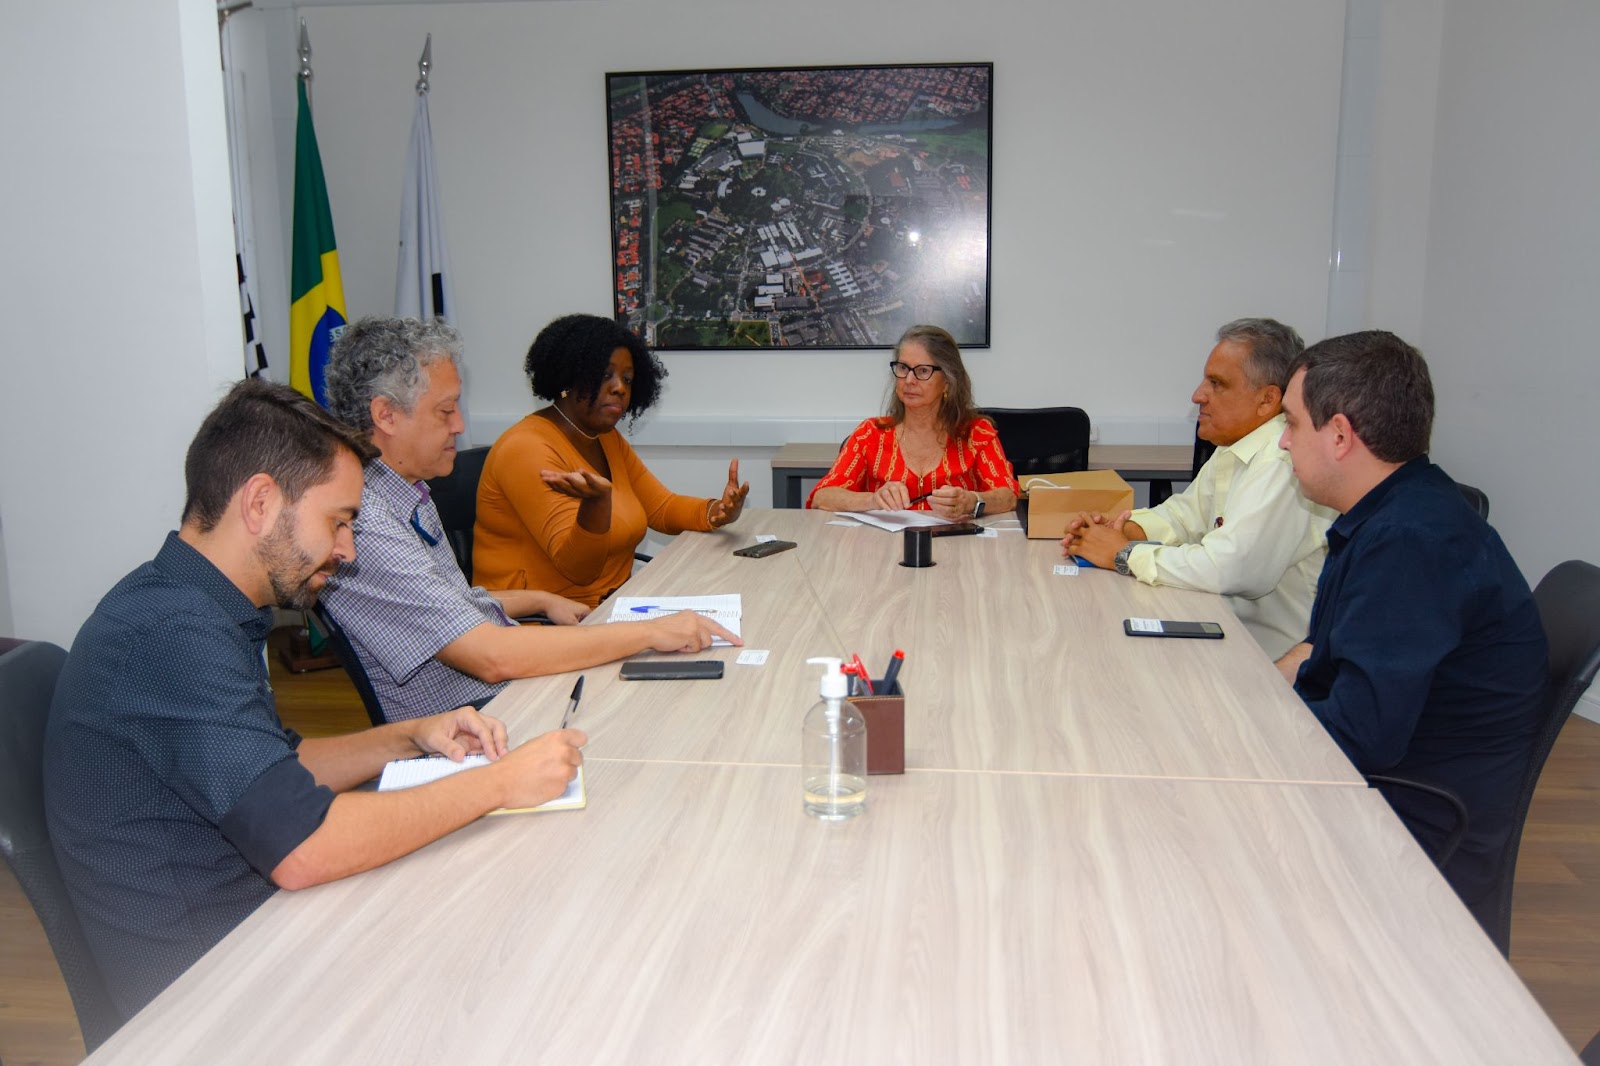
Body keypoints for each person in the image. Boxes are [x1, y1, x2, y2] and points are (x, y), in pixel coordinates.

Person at [43, 380, 589, 1018]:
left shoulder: (186, 602)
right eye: (339, 521)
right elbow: (303, 848)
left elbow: (274, 770)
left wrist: (407, 735)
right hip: (212, 993)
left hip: (257, 932)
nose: (347, 550)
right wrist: (501, 784)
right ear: (261, 503)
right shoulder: (170, 632)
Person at [320, 317, 737, 720]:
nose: (461, 426)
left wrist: (539, 600)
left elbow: (449, 604)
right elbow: (491, 657)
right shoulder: (364, 522)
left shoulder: (408, 491)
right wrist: (648, 633)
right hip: (481, 718)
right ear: (386, 415)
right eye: (446, 411)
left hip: (509, 689)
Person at [1275, 330, 1548, 919]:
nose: (1281, 442)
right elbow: (1325, 651)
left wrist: (1243, 725)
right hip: (1401, 782)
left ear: (1341, 436)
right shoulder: (1399, 509)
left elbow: (1358, 734)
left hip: (1410, 821)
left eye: (1293, 424)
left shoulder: (1409, 542)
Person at [1059, 318, 1335, 658]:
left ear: (1266, 401)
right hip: (1219, 628)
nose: (1197, 395)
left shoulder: (1281, 460)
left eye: (1217, 383)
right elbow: (1184, 515)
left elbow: (1231, 568)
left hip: (1267, 661)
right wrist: (1124, 528)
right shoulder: (1234, 447)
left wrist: (1124, 554)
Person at [472, 313, 749, 607]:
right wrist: (597, 505)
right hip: (542, 626)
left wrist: (716, 512)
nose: (620, 387)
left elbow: (661, 508)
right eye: (605, 375)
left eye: (627, 379)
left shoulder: (605, 438)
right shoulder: (525, 449)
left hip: (612, 607)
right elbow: (577, 568)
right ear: (568, 375)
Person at [807, 325, 1020, 519]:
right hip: (881, 550)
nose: (909, 380)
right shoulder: (871, 434)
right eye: (903, 368)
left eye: (923, 371)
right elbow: (821, 497)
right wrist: (873, 500)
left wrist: (970, 501)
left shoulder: (976, 433)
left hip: (958, 548)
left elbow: (1008, 496)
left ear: (947, 381)